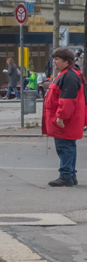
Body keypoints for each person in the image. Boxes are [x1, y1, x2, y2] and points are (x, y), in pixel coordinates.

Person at [43, 47, 86, 187]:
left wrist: (61, 117)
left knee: (64, 148)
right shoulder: (70, 74)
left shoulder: (68, 76)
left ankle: (66, 175)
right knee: (69, 146)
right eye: (53, 59)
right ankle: (70, 175)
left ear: (66, 61)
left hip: (65, 120)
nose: (53, 62)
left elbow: (67, 100)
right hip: (70, 118)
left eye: (57, 59)